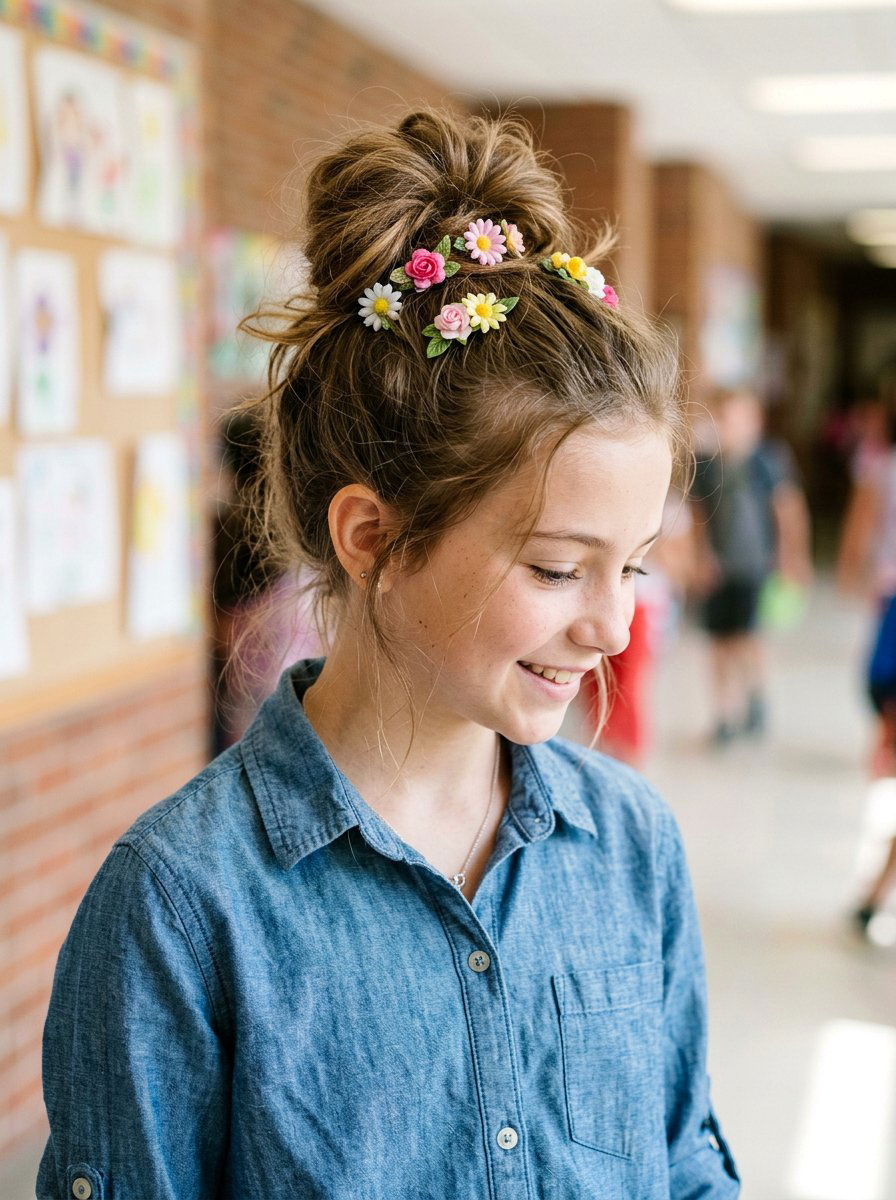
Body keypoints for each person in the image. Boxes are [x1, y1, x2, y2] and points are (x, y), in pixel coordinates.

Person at [38, 110, 739, 1199]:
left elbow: (684, 1161)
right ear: (372, 539)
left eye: (633, 568)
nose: (610, 628)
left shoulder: (632, 846)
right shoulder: (181, 904)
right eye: (558, 569)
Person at [689, 388, 812, 746]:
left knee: (746, 638)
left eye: (736, 419)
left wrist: (793, 558)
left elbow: (788, 511)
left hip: (756, 566)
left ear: (754, 423)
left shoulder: (767, 461)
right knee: (718, 642)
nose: (727, 427)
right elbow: (698, 516)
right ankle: (724, 715)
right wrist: (700, 558)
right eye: (722, 419)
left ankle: (756, 696)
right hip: (719, 569)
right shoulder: (707, 465)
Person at [837, 369, 896, 935]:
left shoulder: (880, 464)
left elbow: (860, 527)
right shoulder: (880, 463)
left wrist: (855, 573)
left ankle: (876, 891)